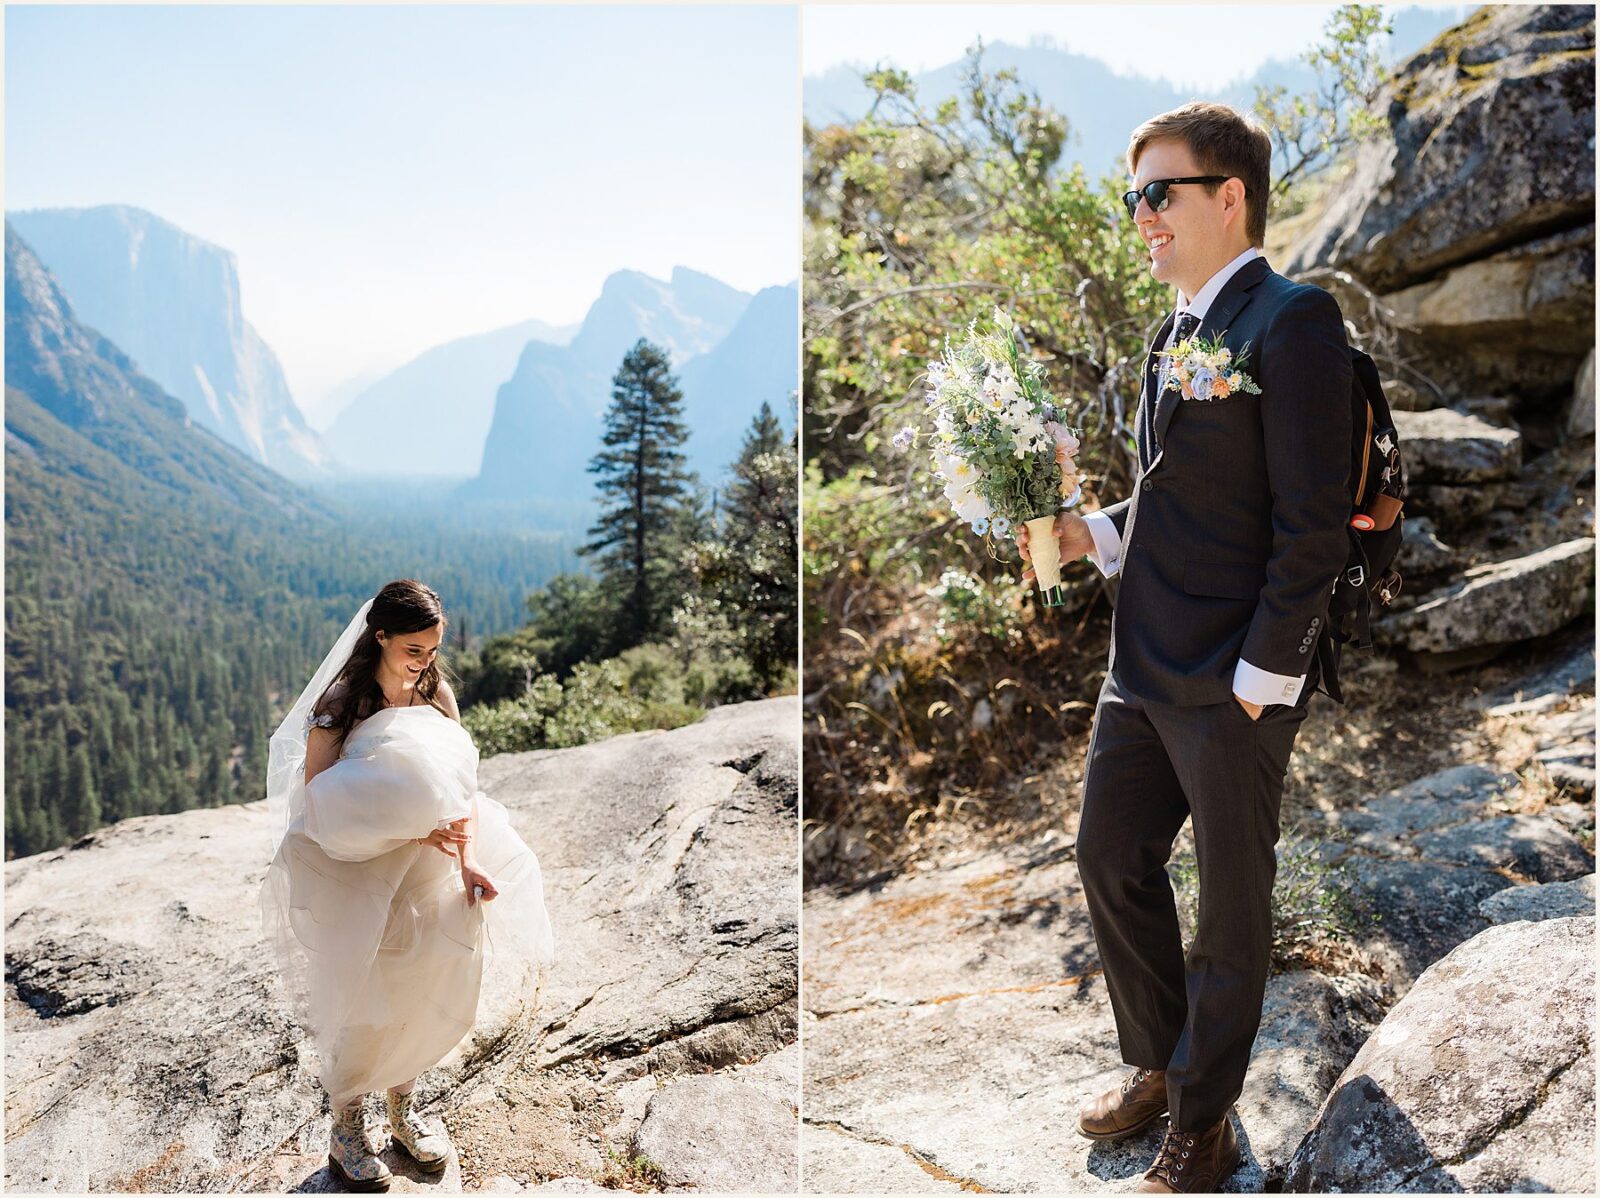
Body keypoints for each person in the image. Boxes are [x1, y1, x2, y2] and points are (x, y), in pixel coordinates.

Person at [1017, 102, 1352, 1193]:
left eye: (1159, 193)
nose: (1141, 216)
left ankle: (1201, 1126)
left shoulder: (1293, 322)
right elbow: (1172, 496)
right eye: (1134, 197)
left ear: (1229, 197)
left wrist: (1264, 680)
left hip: (1233, 678)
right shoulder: (1170, 333)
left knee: (1230, 903)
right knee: (1108, 856)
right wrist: (1089, 530)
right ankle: (1161, 1061)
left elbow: (1310, 524)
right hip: (1141, 661)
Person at [261, 579, 555, 1192]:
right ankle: (347, 1130)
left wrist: (469, 859)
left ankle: (402, 1112)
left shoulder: (434, 691)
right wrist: (413, 831)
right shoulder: (343, 703)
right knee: (363, 993)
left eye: (433, 648)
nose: (425, 661)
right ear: (381, 637)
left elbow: (459, 788)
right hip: (359, 869)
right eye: (413, 649)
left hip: (432, 868)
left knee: (421, 980)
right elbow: (315, 800)